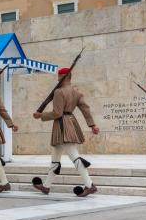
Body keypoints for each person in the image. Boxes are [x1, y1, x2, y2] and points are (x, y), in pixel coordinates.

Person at [32, 67, 100, 197]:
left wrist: (41, 115)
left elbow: (57, 113)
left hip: (62, 125)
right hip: (70, 122)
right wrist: (92, 125)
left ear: (62, 77)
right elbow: (85, 109)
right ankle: (46, 186)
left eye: (59, 77)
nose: (57, 79)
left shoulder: (59, 92)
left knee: (74, 157)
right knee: (55, 160)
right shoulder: (76, 92)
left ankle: (90, 185)